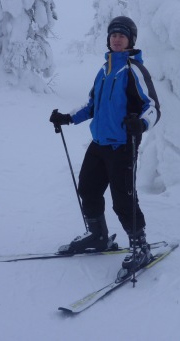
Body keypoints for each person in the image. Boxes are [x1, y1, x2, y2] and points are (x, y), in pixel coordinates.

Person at [50, 16, 160, 272]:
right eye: (113, 35)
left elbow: (153, 107)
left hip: (122, 146)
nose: (117, 39)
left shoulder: (134, 70)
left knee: (123, 200)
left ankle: (141, 247)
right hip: (99, 143)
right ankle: (97, 235)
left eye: (122, 35)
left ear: (131, 40)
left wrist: (140, 123)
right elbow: (92, 105)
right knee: (87, 189)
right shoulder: (104, 70)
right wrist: (68, 118)